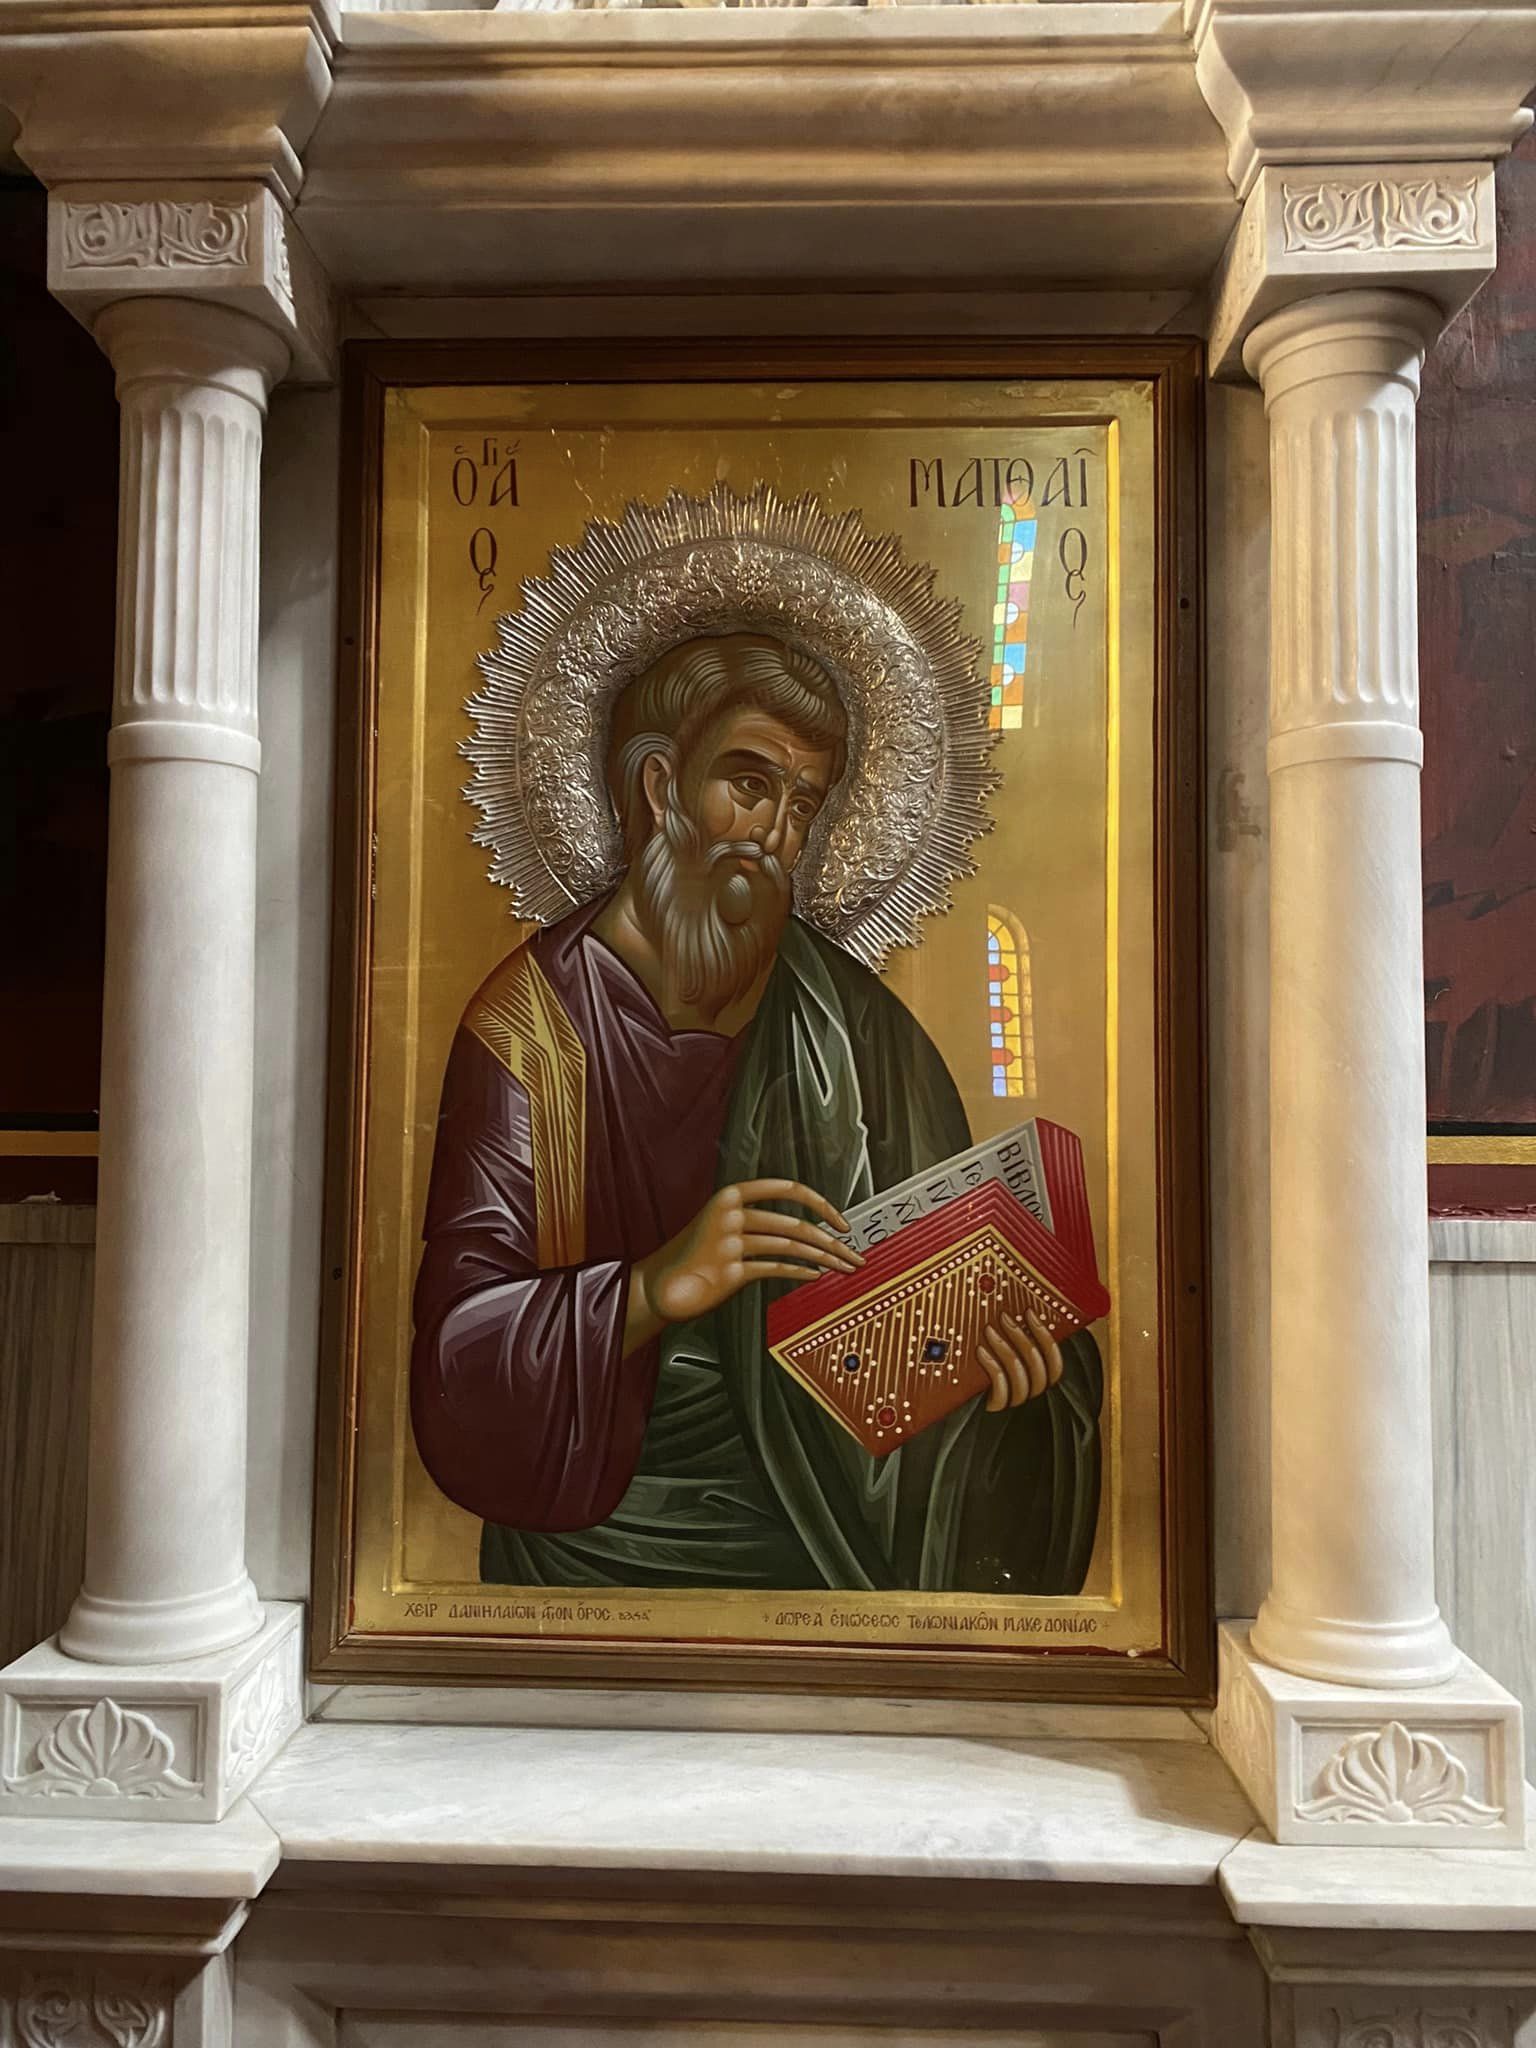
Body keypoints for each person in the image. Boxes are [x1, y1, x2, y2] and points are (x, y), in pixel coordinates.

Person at [411, 633, 1102, 1594]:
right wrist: (654, 1289)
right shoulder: (529, 1033)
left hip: (833, 1543)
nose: (773, 832)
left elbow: (939, 1297)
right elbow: (459, 1354)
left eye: (801, 804)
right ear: (661, 785)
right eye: (748, 784)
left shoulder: (859, 1029)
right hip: (591, 1554)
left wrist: (1007, 1379)